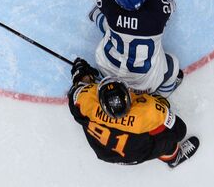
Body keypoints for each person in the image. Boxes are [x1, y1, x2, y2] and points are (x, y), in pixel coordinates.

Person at [68, 58, 199, 167]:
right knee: (167, 140)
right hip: (137, 153)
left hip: (103, 152)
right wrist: (161, 103)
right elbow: (180, 130)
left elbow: (76, 89)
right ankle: (173, 158)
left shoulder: (85, 101)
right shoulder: (148, 111)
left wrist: (81, 74)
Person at [87, 0, 182, 97]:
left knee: (110, 28)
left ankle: (96, 16)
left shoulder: (110, 6)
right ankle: (161, 98)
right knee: (172, 65)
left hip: (108, 72)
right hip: (144, 84)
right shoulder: (158, 11)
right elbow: (169, 1)